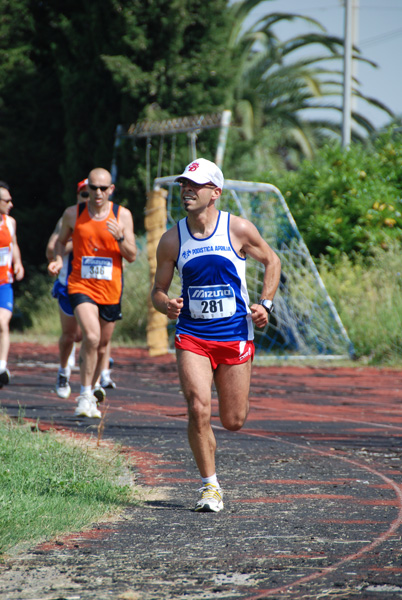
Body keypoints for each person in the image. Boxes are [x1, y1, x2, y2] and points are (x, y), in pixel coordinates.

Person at [151, 158, 281, 513]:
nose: (187, 190)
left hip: (235, 333)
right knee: (197, 407)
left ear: (215, 192)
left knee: (233, 420)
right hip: (192, 335)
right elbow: (157, 291)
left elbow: (272, 260)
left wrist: (265, 305)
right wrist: (167, 306)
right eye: (183, 185)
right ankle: (210, 486)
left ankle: (220, 431)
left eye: (195, 185)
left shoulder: (237, 229)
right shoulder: (172, 239)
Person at [48, 168, 136, 418]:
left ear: (111, 190)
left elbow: (131, 255)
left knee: (102, 345)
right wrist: (56, 260)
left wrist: (120, 238)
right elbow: (58, 241)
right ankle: (85, 395)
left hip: (110, 290)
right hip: (80, 286)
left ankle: (92, 391)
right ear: (87, 189)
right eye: (92, 188)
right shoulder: (73, 214)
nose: (96, 193)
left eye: (102, 188)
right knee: (92, 336)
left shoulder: (122, 215)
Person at [46, 179, 116, 399]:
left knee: (97, 335)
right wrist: (74, 244)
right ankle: (64, 370)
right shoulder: (71, 216)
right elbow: (51, 248)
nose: (92, 196)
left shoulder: (112, 217)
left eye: (98, 191)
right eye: (85, 194)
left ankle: (98, 379)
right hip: (70, 283)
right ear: (79, 196)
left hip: (99, 285)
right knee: (71, 336)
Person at [0, 181, 24, 387]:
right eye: (6, 200)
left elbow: (13, 244)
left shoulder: (10, 222)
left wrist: (18, 263)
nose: (11, 204)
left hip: (4, 283)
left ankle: (1, 367)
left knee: (2, 322)